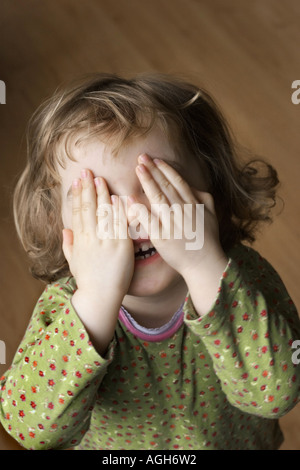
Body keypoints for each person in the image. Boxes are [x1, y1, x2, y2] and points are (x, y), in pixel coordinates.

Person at [0, 73, 299, 450]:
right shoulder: (65, 309)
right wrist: (95, 299)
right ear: (56, 223)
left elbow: (275, 394)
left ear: (213, 188)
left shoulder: (241, 276)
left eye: (160, 185)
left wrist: (202, 266)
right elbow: (31, 430)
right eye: (101, 199)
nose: (134, 215)